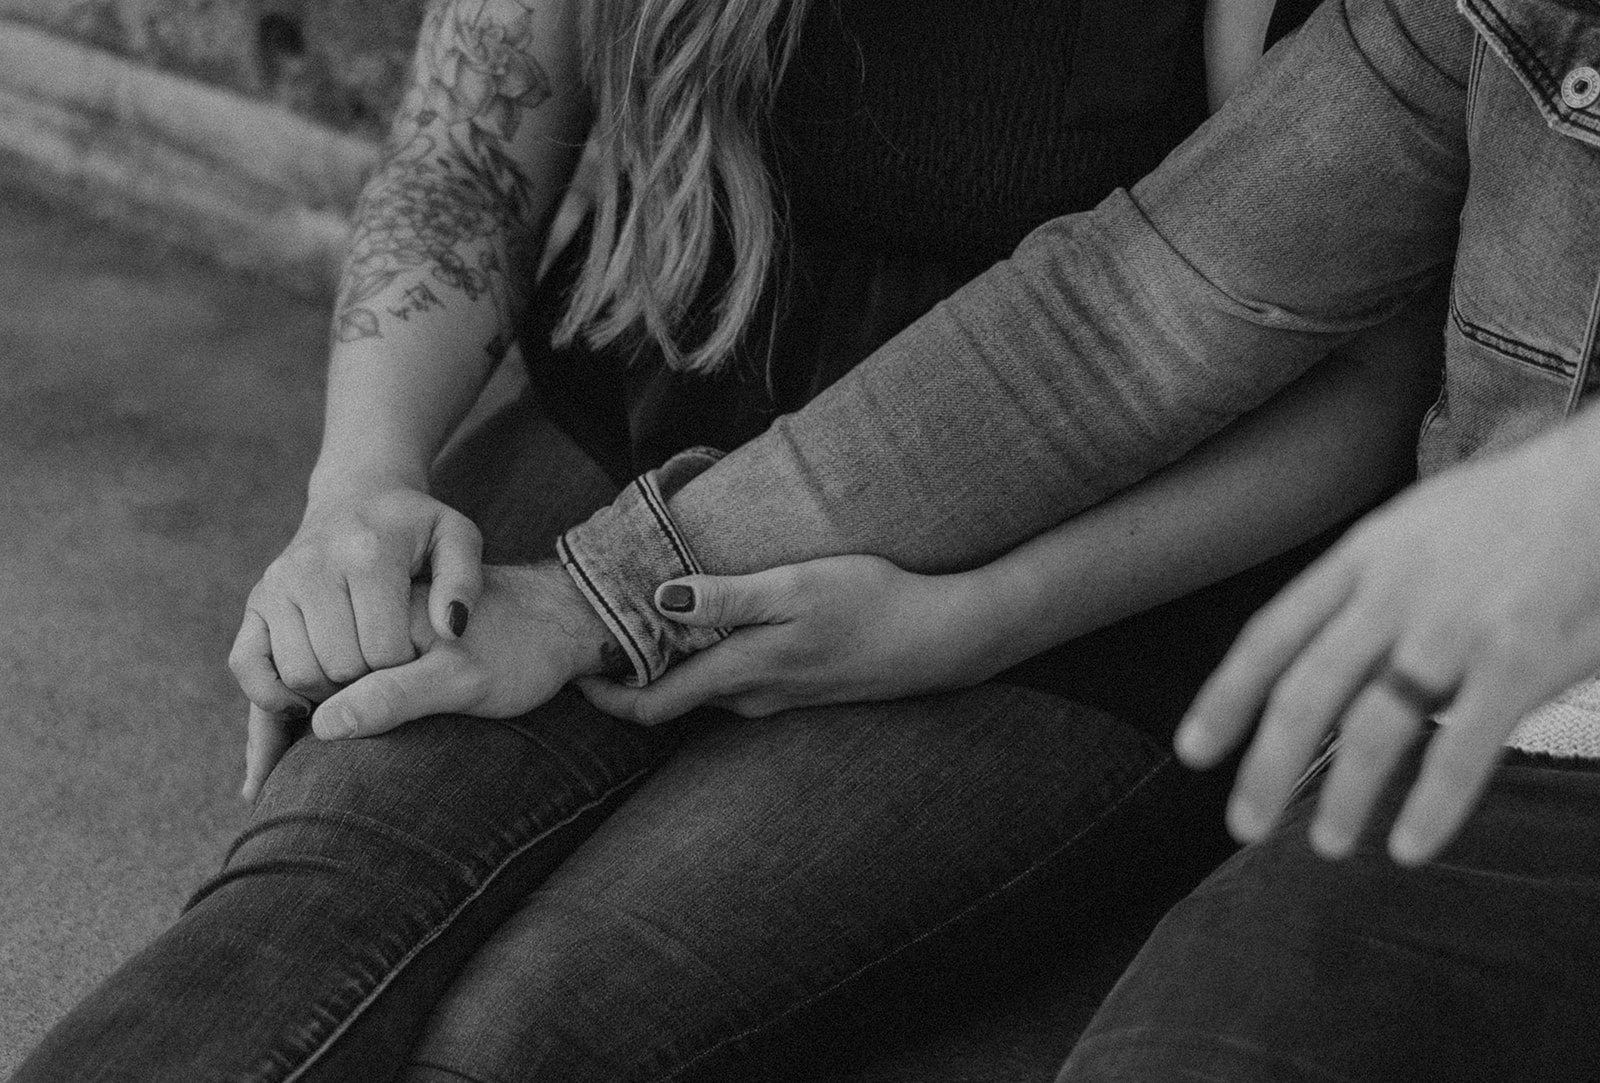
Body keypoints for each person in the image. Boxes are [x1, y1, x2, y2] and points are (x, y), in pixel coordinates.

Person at [12, 2, 1450, 1083]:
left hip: (1063, 564)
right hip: (642, 418)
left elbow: (1355, 382)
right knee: (309, 905)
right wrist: (362, 482)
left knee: (550, 1022)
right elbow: (465, 153)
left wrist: (974, 622)